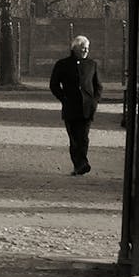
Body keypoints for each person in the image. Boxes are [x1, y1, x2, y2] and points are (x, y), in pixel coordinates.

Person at [49, 35, 102, 176]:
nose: (86, 50)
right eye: (83, 48)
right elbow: (54, 85)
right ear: (75, 49)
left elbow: (98, 86)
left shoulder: (92, 64)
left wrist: (94, 101)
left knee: (83, 137)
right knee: (74, 138)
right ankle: (79, 165)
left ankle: (82, 164)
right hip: (70, 107)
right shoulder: (62, 64)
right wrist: (63, 98)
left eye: (87, 48)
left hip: (87, 108)